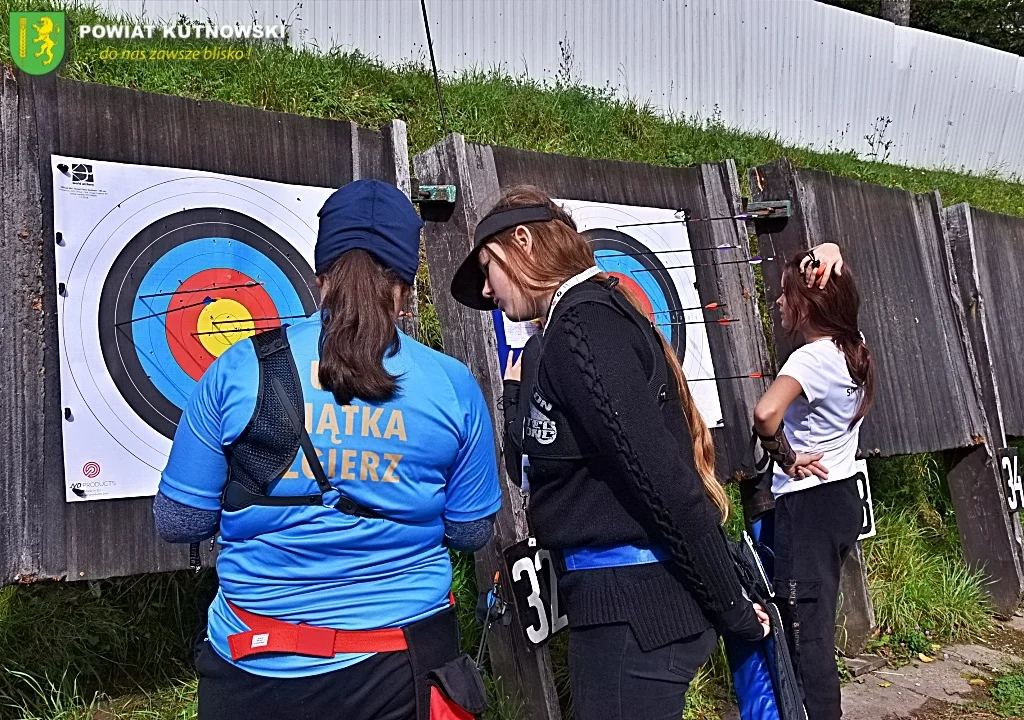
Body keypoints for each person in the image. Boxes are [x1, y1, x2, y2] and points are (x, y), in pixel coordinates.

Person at [152, 179, 501, 720]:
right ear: (406, 287)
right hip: (402, 667)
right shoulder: (452, 384)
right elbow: (470, 531)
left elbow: (180, 519)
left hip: (255, 664)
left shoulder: (240, 368)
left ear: (320, 277)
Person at [450, 185, 770, 720]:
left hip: (637, 609)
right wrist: (513, 396)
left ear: (523, 241)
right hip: (620, 605)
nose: (487, 290)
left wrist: (731, 604)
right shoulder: (571, 328)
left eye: (489, 267)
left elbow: (661, 477)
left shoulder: (584, 325)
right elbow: (536, 471)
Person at [752, 243, 873, 720]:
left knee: (808, 637)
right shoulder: (853, 344)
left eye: (785, 295)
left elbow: (765, 414)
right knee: (817, 622)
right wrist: (829, 251)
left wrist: (786, 457)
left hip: (808, 505)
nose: (778, 304)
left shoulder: (811, 359)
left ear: (807, 302)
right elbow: (833, 264)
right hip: (841, 500)